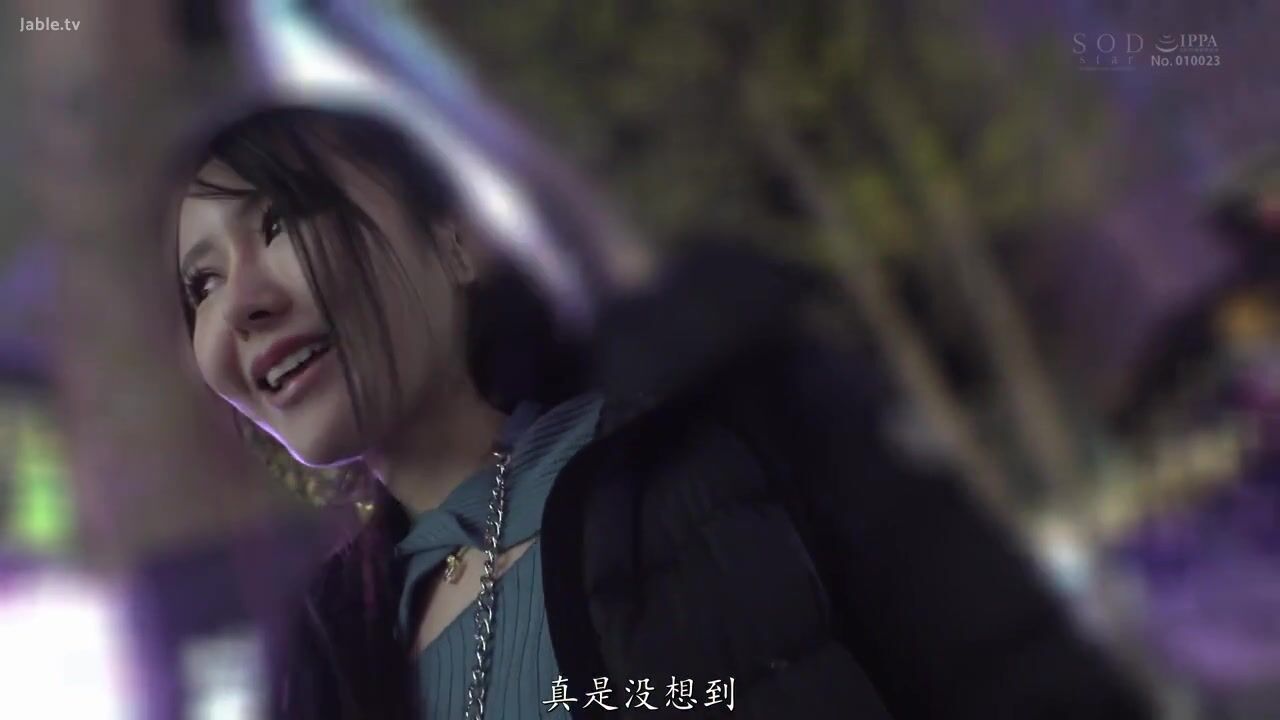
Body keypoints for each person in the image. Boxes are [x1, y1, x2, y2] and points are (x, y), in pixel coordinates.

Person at [172, 106, 1151, 719]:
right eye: (200, 284)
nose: (239, 301)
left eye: (281, 222)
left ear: (456, 244)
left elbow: (1017, 679)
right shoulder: (328, 657)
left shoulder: (726, 428)